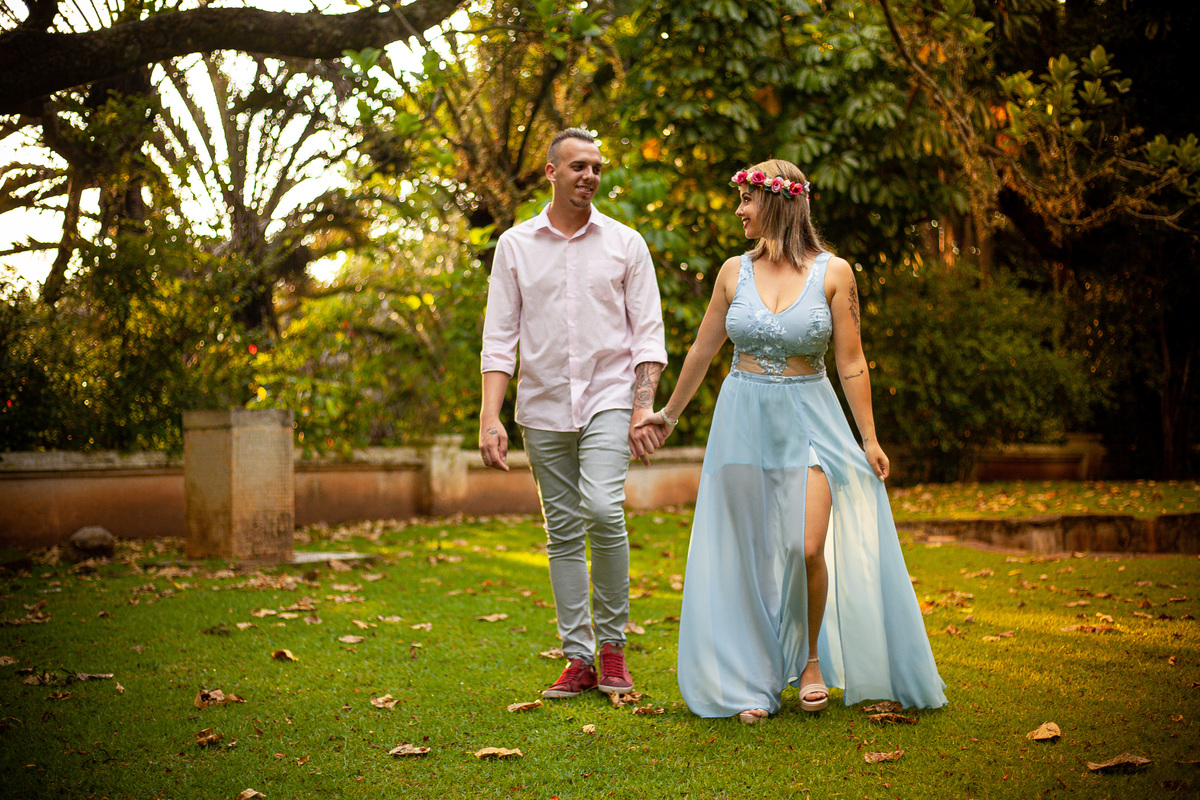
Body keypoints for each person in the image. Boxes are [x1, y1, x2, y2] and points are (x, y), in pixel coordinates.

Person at [636, 159, 947, 722]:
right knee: (751, 553)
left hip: (811, 418)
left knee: (805, 547)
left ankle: (810, 662)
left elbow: (851, 362)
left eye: (747, 200)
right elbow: (703, 350)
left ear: (777, 203)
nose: (739, 210)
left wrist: (869, 438)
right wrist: (669, 415)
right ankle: (753, 680)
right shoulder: (732, 271)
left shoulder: (835, 272)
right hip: (743, 418)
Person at [479, 127, 668, 699]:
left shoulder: (626, 244)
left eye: (597, 167)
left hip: (610, 396)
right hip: (541, 405)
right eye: (579, 166)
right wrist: (491, 416)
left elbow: (648, 335)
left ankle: (612, 649)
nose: (590, 175)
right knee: (561, 529)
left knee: (604, 510)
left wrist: (642, 408)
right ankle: (578, 658)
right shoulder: (515, 245)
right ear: (551, 172)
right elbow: (499, 338)